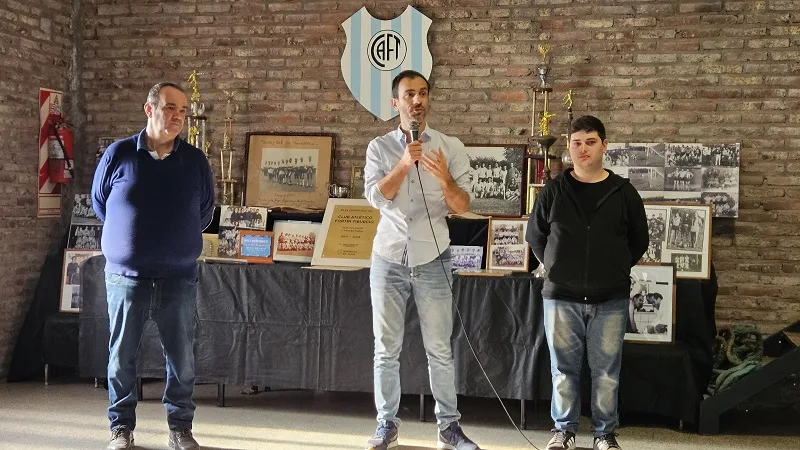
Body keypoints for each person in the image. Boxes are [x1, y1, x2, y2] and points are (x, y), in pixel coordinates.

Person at [91, 82, 215, 450]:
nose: (178, 116)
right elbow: (101, 203)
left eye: (183, 111)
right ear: (149, 109)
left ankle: (180, 428)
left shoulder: (195, 161)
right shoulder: (118, 154)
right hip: (125, 278)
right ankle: (120, 429)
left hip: (178, 279)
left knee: (181, 360)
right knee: (121, 358)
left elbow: (204, 213)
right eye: (170, 108)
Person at [362, 70, 480, 450]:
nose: (417, 101)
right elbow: (376, 199)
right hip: (389, 257)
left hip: (434, 258)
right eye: (409, 94)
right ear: (395, 103)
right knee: (386, 349)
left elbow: (461, 206)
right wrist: (402, 164)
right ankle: (386, 425)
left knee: (440, 349)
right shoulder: (379, 148)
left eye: (423, 93)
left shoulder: (450, 146)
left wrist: (445, 178)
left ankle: (449, 428)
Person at [526, 115, 648, 450]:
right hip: (561, 296)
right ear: (569, 147)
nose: (583, 149)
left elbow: (639, 239)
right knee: (563, 370)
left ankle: (604, 434)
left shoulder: (624, 192)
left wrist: (614, 268)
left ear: (604, 145)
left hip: (610, 298)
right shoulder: (553, 190)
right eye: (577, 143)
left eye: (590, 142)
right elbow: (535, 235)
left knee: (606, 372)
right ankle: (563, 430)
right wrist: (555, 267)